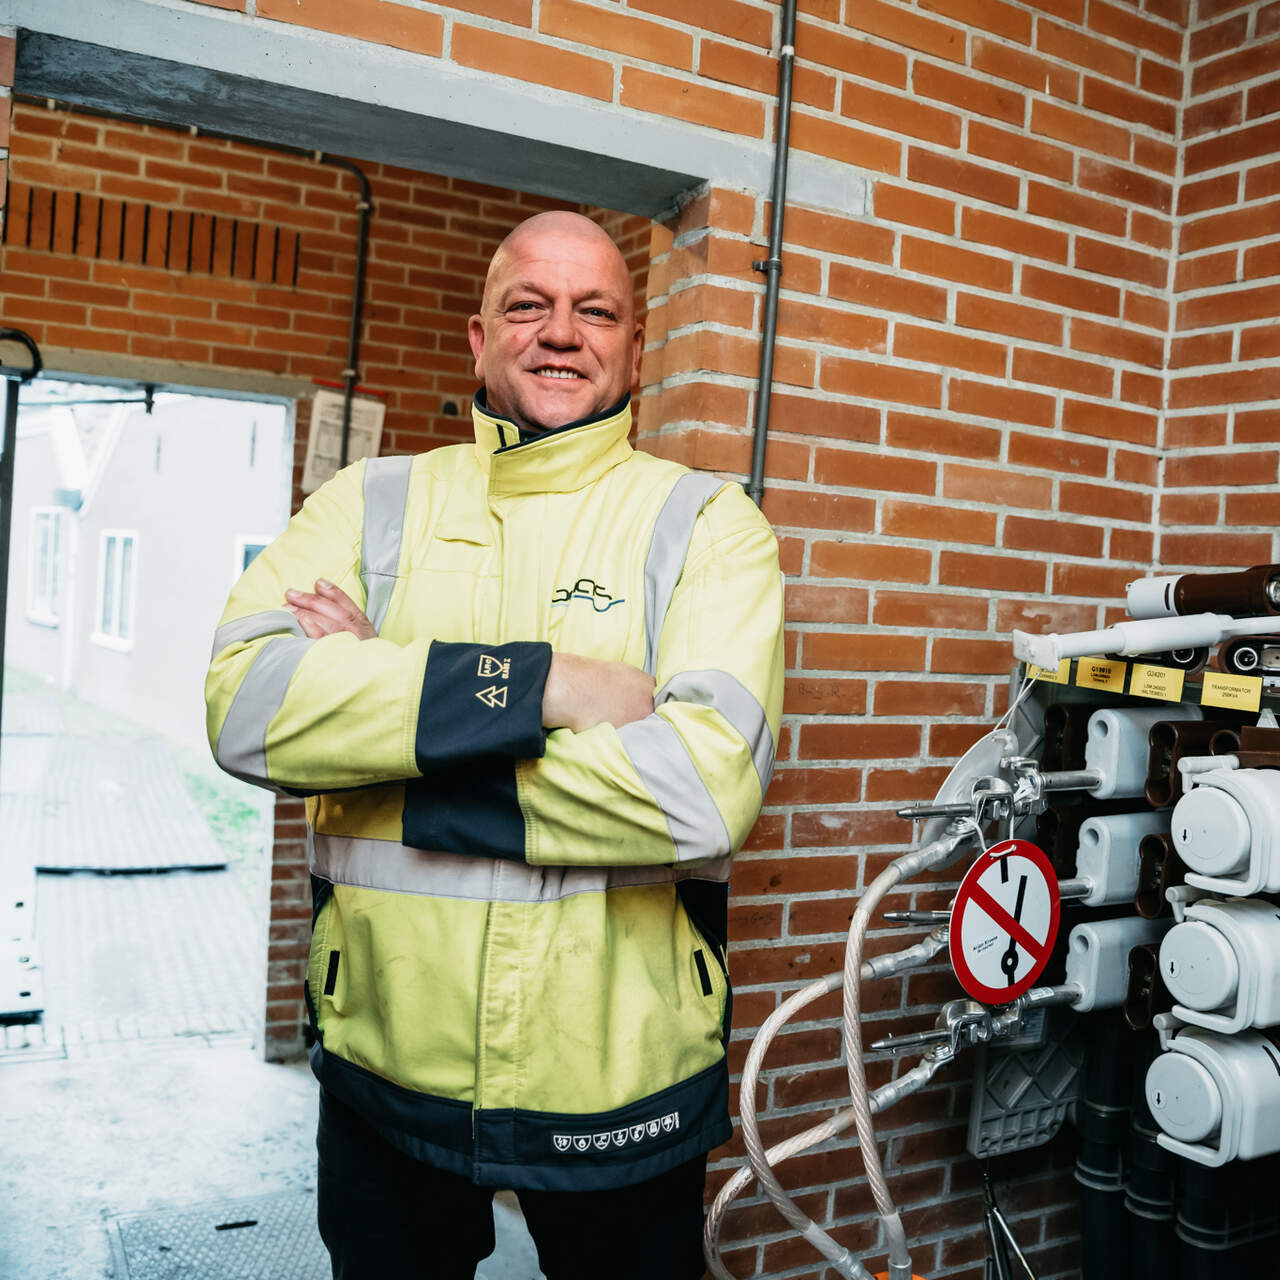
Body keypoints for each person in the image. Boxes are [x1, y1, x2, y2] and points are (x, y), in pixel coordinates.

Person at [205, 211, 784, 1279]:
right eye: (529, 305)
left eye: (594, 311)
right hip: (385, 1064)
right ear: (479, 339)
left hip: (619, 1084)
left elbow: (701, 791)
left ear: (634, 351)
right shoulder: (369, 503)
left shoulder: (706, 525)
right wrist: (548, 686)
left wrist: (388, 728)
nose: (560, 332)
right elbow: (246, 706)